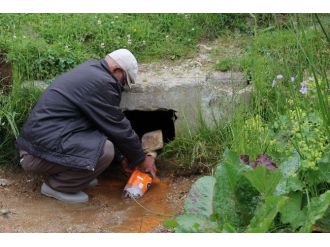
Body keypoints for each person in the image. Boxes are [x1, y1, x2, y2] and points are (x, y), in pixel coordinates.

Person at [16, 49, 157, 203]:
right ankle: (57, 186)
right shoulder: (103, 83)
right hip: (35, 155)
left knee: (100, 143)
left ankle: (76, 177)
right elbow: (118, 127)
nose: (121, 86)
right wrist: (140, 160)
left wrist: (123, 157)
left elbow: (104, 126)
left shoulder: (91, 71)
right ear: (116, 70)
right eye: (123, 81)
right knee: (104, 150)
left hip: (41, 144)